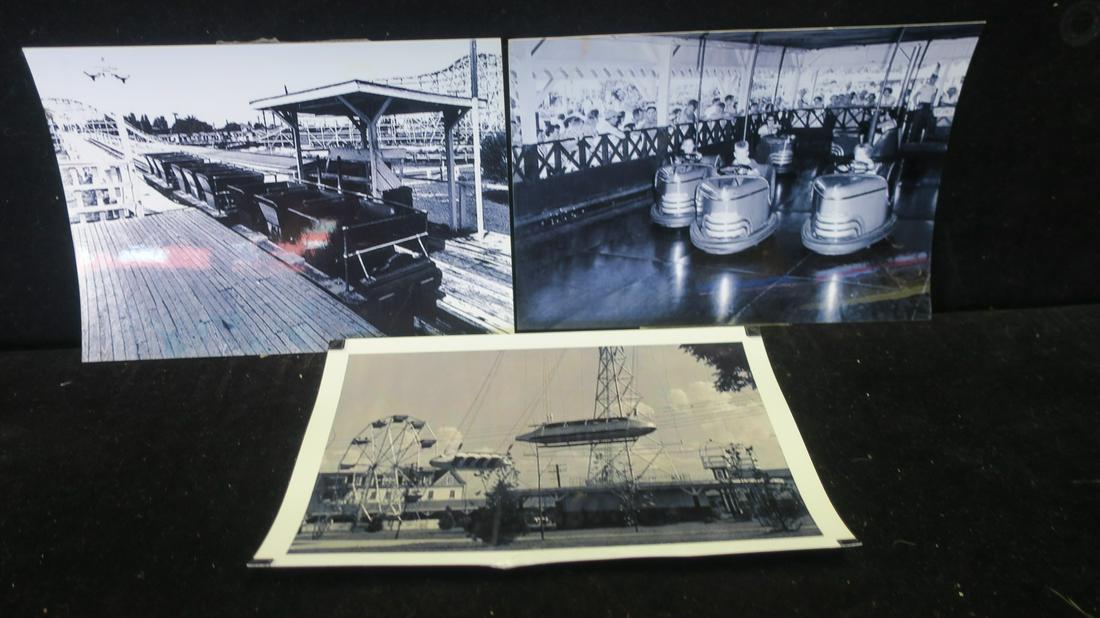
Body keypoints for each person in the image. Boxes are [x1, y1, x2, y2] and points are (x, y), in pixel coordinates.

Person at [908, 75, 940, 142]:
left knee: (927, 125)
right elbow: (914, 96)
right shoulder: (923, 86)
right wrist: (916, 105)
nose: (933, 80)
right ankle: (912, 141)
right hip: (922, 105)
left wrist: (931, 106)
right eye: (932, 79)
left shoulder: (935, 88)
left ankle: (922, 142)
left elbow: (933, 98)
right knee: (916, 124)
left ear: (936, 80)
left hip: (929, 107)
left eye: (935, 79)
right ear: (930, 78)